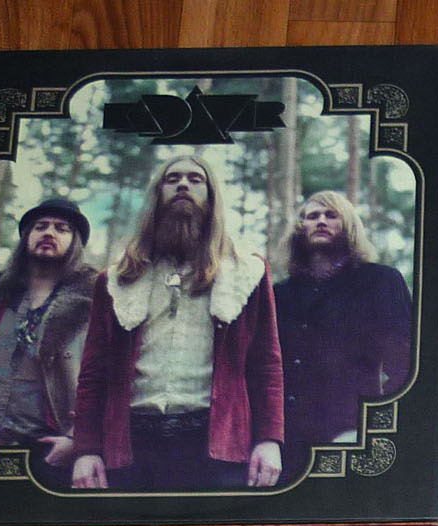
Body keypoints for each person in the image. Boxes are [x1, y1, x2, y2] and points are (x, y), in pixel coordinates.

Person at [72, 154, 284, 491]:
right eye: (172, 180)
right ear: (157, 196)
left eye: (195, 179)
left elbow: (266, 364)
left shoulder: (246, 273)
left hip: (217, 446)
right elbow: (93, 372)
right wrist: (86, 449)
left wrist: (269, 439)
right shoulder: (116, 280)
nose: (183, 185)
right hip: (132, 446)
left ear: (211, 196)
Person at [0, 197, 97, 486]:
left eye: (61, 228)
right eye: (40, 226)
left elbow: (107, 381)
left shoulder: (94, 302)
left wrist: (77, 439)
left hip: (49, 452)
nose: (49, 233)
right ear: (26, 236)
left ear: (76, 243)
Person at [274, 191, 413, 471]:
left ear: (349, 225)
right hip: (289, 442)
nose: (321, 221)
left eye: (331, 215)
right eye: (312, 216)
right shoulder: (280, 294)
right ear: (300, 229)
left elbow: (406, 365)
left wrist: (374, 426)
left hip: (352, 434)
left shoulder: (380, 281)